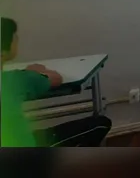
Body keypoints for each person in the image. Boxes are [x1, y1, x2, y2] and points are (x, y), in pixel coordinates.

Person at [1, 17, 112, 147]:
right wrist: (37, 71)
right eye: (14, 37)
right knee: (100, 124)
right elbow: (56, 78)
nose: (17, 39)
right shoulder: (17, 80)